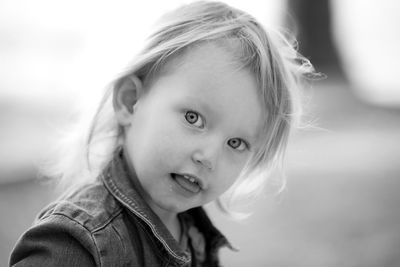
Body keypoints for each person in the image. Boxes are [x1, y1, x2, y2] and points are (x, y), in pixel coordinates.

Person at [9, 1, 314, 266]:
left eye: (236, 143)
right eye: (193, 118)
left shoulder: (192, 232)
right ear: (130, 101)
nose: (208, 157)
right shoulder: (74, 242)